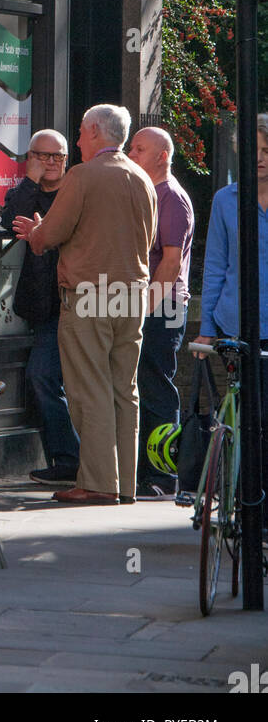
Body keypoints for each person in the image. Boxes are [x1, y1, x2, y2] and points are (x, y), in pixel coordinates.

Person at [13, 105, 156, 507]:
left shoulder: (83, 175)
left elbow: (49, 236)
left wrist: (38, 232)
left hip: (90, 294)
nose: (75, 141)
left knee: (88, 388)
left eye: (79, 133)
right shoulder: (143, 177)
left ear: (95, 132)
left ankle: (96, 483)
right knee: (124, 391)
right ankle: (124, 482)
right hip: (133, 292)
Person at [196, 115, 268, 533]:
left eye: (266, 151)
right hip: (234, 324)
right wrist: (205, 328)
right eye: (252, 150)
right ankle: (239, 501)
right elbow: (216, 266)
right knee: (242, 417)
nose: (258, 159)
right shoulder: (226, 199)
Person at [0, 130, 79, 486]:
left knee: (42, 376)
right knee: (45, 379)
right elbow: (10, 221)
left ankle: (69, 460)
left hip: (69, 301)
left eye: (57, 156)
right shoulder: (23, 192)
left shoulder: (76, 193)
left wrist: (44, 232)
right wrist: (30, 180)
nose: (50, 162)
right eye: (42, 156)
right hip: (38, 304)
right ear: (29, 157)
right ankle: (64, 461)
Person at [127, 126, 194, 499]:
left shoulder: (172, 198)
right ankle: (143, 472)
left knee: (156, 385)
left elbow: (169, 264)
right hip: (145, 303)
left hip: (164, 304)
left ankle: (163, 476)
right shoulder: (147, 192)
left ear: (162, 156)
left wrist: (145, 310)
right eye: (132, 147)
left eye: (139, 148)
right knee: (143, 383)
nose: (131, 153)